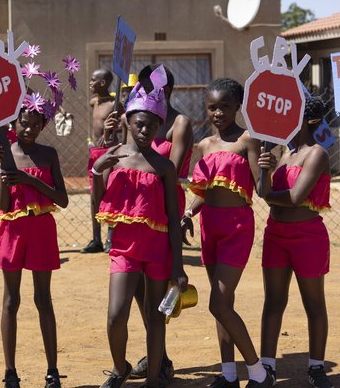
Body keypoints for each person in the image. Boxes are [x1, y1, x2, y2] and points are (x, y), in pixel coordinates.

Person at [93, 66, 187, 388]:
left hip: (158, 249)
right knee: (116, 314)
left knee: (155, 315)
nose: (145, 130)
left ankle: (152, 380)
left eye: (152, 125)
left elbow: (173, 219)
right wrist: (96, 172)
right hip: (124, 247)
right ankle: (120, 368)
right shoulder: (114, 157)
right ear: (128, 123)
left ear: (160, 125)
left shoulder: (164, 166)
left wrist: (178, 265)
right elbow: (99, 207)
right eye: (139, 124)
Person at [182, 78, 271, 387]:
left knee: (218, 303)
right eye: (212, 107)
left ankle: (258, 373)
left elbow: (261, 189)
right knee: (224, 304)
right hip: (209, 226)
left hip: (236, 227)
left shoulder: (248, 140)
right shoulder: (204, 145)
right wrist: (188, 212)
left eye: (225, 107)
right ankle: (229, 374)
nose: (218, 113)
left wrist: (267, 167)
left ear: (238, 107)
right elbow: (201, 191)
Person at [0, 97, 69, 388]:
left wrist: (30, 180)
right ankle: (10, 371)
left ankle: (52, 371)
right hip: (12, 230)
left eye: (36, 125)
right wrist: (5, 172)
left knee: (43, 299)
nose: (29, 129)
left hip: (41, 230)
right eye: (25, 123)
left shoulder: (49, 154)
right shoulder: (3, 153)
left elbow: (62, 200)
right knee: (11, 300)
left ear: (43, 125)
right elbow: (3, 203)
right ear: (14, 122)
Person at [257, 96, 333, 388]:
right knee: (273, 301)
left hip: (308, 237)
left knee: (314, 303)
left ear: (307, 120)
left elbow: (295, 197)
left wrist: (266, 194)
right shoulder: (284, 154)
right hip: (276, 234)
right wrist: (264, 167)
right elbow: (262, 189)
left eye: (289, 116)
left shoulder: (317, 154)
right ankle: (267, 367)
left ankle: (316, 368)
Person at [125, 65, 194, 385]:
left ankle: (159, 357)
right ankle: (159, 356)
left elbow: (172, 168)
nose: (147, 92)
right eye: (142, 86)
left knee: (162, 286)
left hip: (164, 210)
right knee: (138, 284)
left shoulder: (179, 123)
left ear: (166, 90)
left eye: (153, 87)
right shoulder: (139, 120)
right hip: (135, 208)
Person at [82, 67, 123, 254]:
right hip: (95, 153)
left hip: (109, 151)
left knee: (110, 193)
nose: (90, 83)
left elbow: (124, 127)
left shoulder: (116, 105)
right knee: (94, 196)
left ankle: (110, 237)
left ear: (103, 83)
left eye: (93, 80)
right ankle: (96, 238)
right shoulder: (95, 102)